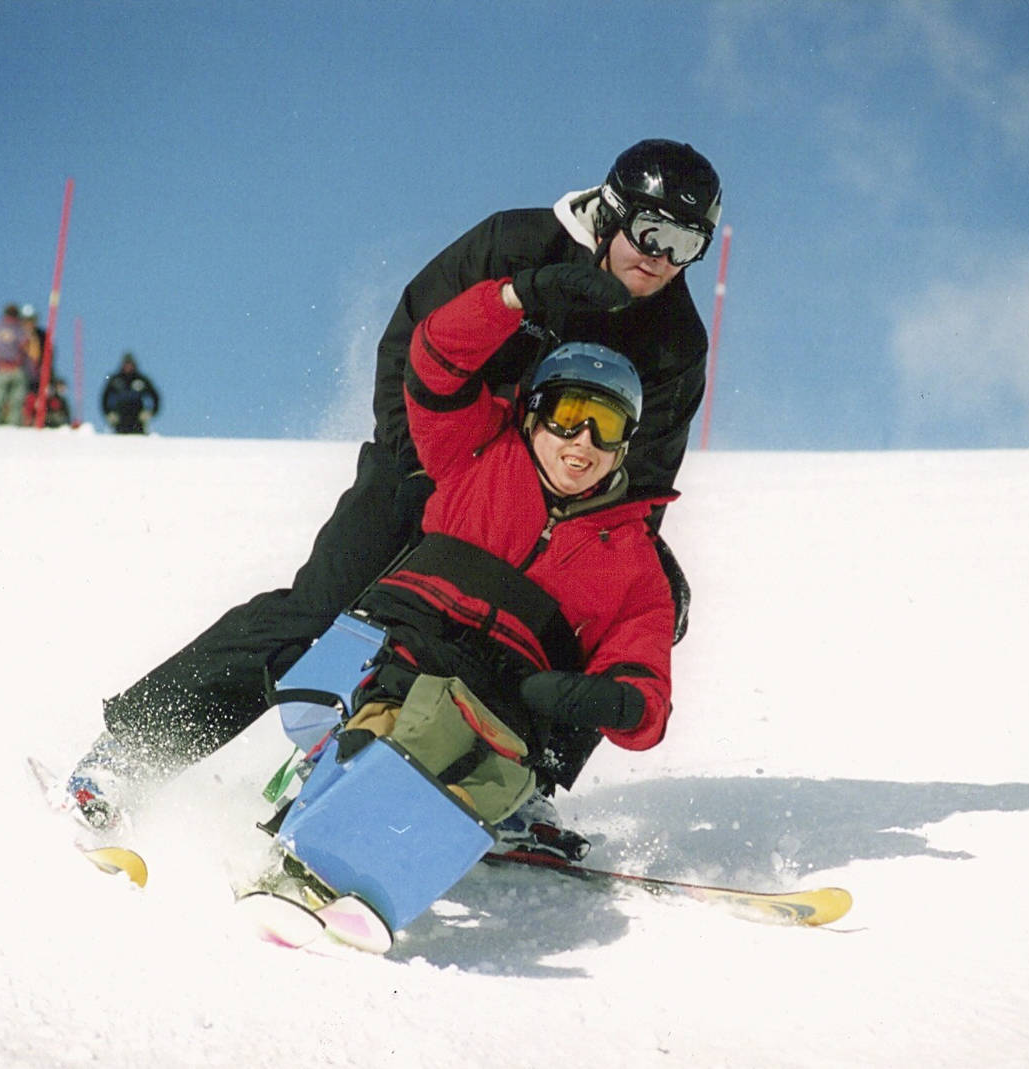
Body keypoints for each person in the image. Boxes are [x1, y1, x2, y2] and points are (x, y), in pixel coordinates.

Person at [73, 139, 721, 841]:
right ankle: (132, 751)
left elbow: (647, 473)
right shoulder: (519, 241)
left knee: (628, 600)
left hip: (538, 504)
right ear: (611, 211)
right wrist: (418, 465)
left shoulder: (673, 339)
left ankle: (524, 778)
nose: (661, 257)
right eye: (651, 230)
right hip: (430, 455)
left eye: (686, 243)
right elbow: (416, 337)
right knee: (321, 605)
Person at [0, 304, 31, 426]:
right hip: (16, 369)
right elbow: (26, 347)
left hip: (2, 369)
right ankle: (11, 426)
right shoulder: (20, 330)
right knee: (16, 402)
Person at [100, 352, 160, 433]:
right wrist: (109, 413)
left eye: (130, 364)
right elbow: (104, 397)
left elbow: (155, 396)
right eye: (126, 364)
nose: (128, 367)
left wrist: (150, 413)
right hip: (120, 419)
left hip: (138, 420)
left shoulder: (141, 379)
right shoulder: (115, 380)